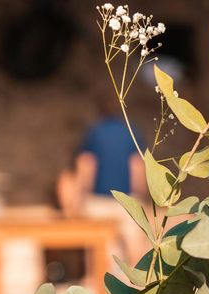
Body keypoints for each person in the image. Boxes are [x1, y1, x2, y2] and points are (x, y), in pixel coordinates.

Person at [57, 92, 147, 264]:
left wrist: (79, 198)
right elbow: (137, 164)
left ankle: (104, 290)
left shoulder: (94, 132)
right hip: (128, 201)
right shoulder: (130, 131)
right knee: (135, 254)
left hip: (99, 201)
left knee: (102, 258)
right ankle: (139, 288)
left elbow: (86, 164)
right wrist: (142, 196)